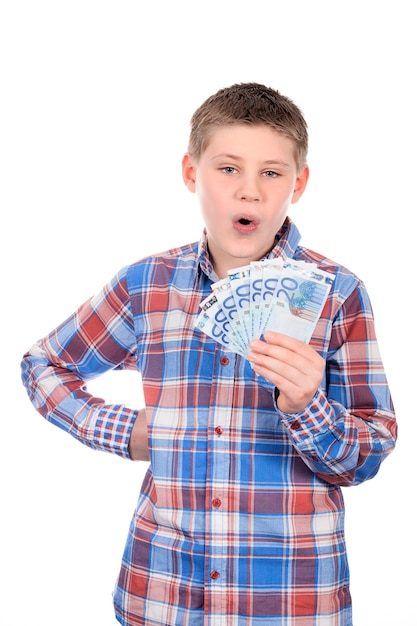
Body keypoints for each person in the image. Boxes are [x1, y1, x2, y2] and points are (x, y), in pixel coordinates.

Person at [21, 82, 397, 626]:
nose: (250, 192)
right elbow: (43, 366)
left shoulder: (338, 293)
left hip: (291, 600)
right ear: (191, 173)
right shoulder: (144, 285)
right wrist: (128, 431)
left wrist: (308, 405)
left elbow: (369, 454)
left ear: (300, 182)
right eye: (228, 169)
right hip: (163, 593)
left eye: (271, 172)